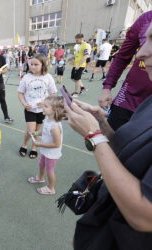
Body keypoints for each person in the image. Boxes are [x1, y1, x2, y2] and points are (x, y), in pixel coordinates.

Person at [64, 22, 152, 249]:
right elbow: (129, 155)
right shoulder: (149, 101)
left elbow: (145, 216)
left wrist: (94, 136)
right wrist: (102, 125)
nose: (141, 52)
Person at [98, 11, 152, 131]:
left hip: (146, 110)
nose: (140, 54)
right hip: (128, 98)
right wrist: (107, 87)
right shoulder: (146, 18)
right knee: (112, 142)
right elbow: (122, 56)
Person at [18, 54, 57, 159]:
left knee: (37, 131)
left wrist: (45, 102)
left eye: (36, 64)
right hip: (29, 109)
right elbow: (20, 93)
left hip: (43, 111)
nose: (33, 67)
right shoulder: (26, 77)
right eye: (31, 64)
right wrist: (24, 103)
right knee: (31, 131)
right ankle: (24, 144)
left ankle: (34, 147)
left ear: (43, 65)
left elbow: (53, 94)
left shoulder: (48, 77)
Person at [27, 95, 65, 195]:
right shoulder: (47, 119)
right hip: (45, 150)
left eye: (46, 106)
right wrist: (35, 133)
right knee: (41, 163)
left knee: (50, 170)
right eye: (43, 105)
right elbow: (44, 132)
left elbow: (56, 144)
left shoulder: (55, 127)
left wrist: (39, 144)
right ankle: (40, 178)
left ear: (54, 110)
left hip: (52, 153)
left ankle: (51, 188)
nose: (42, 108)